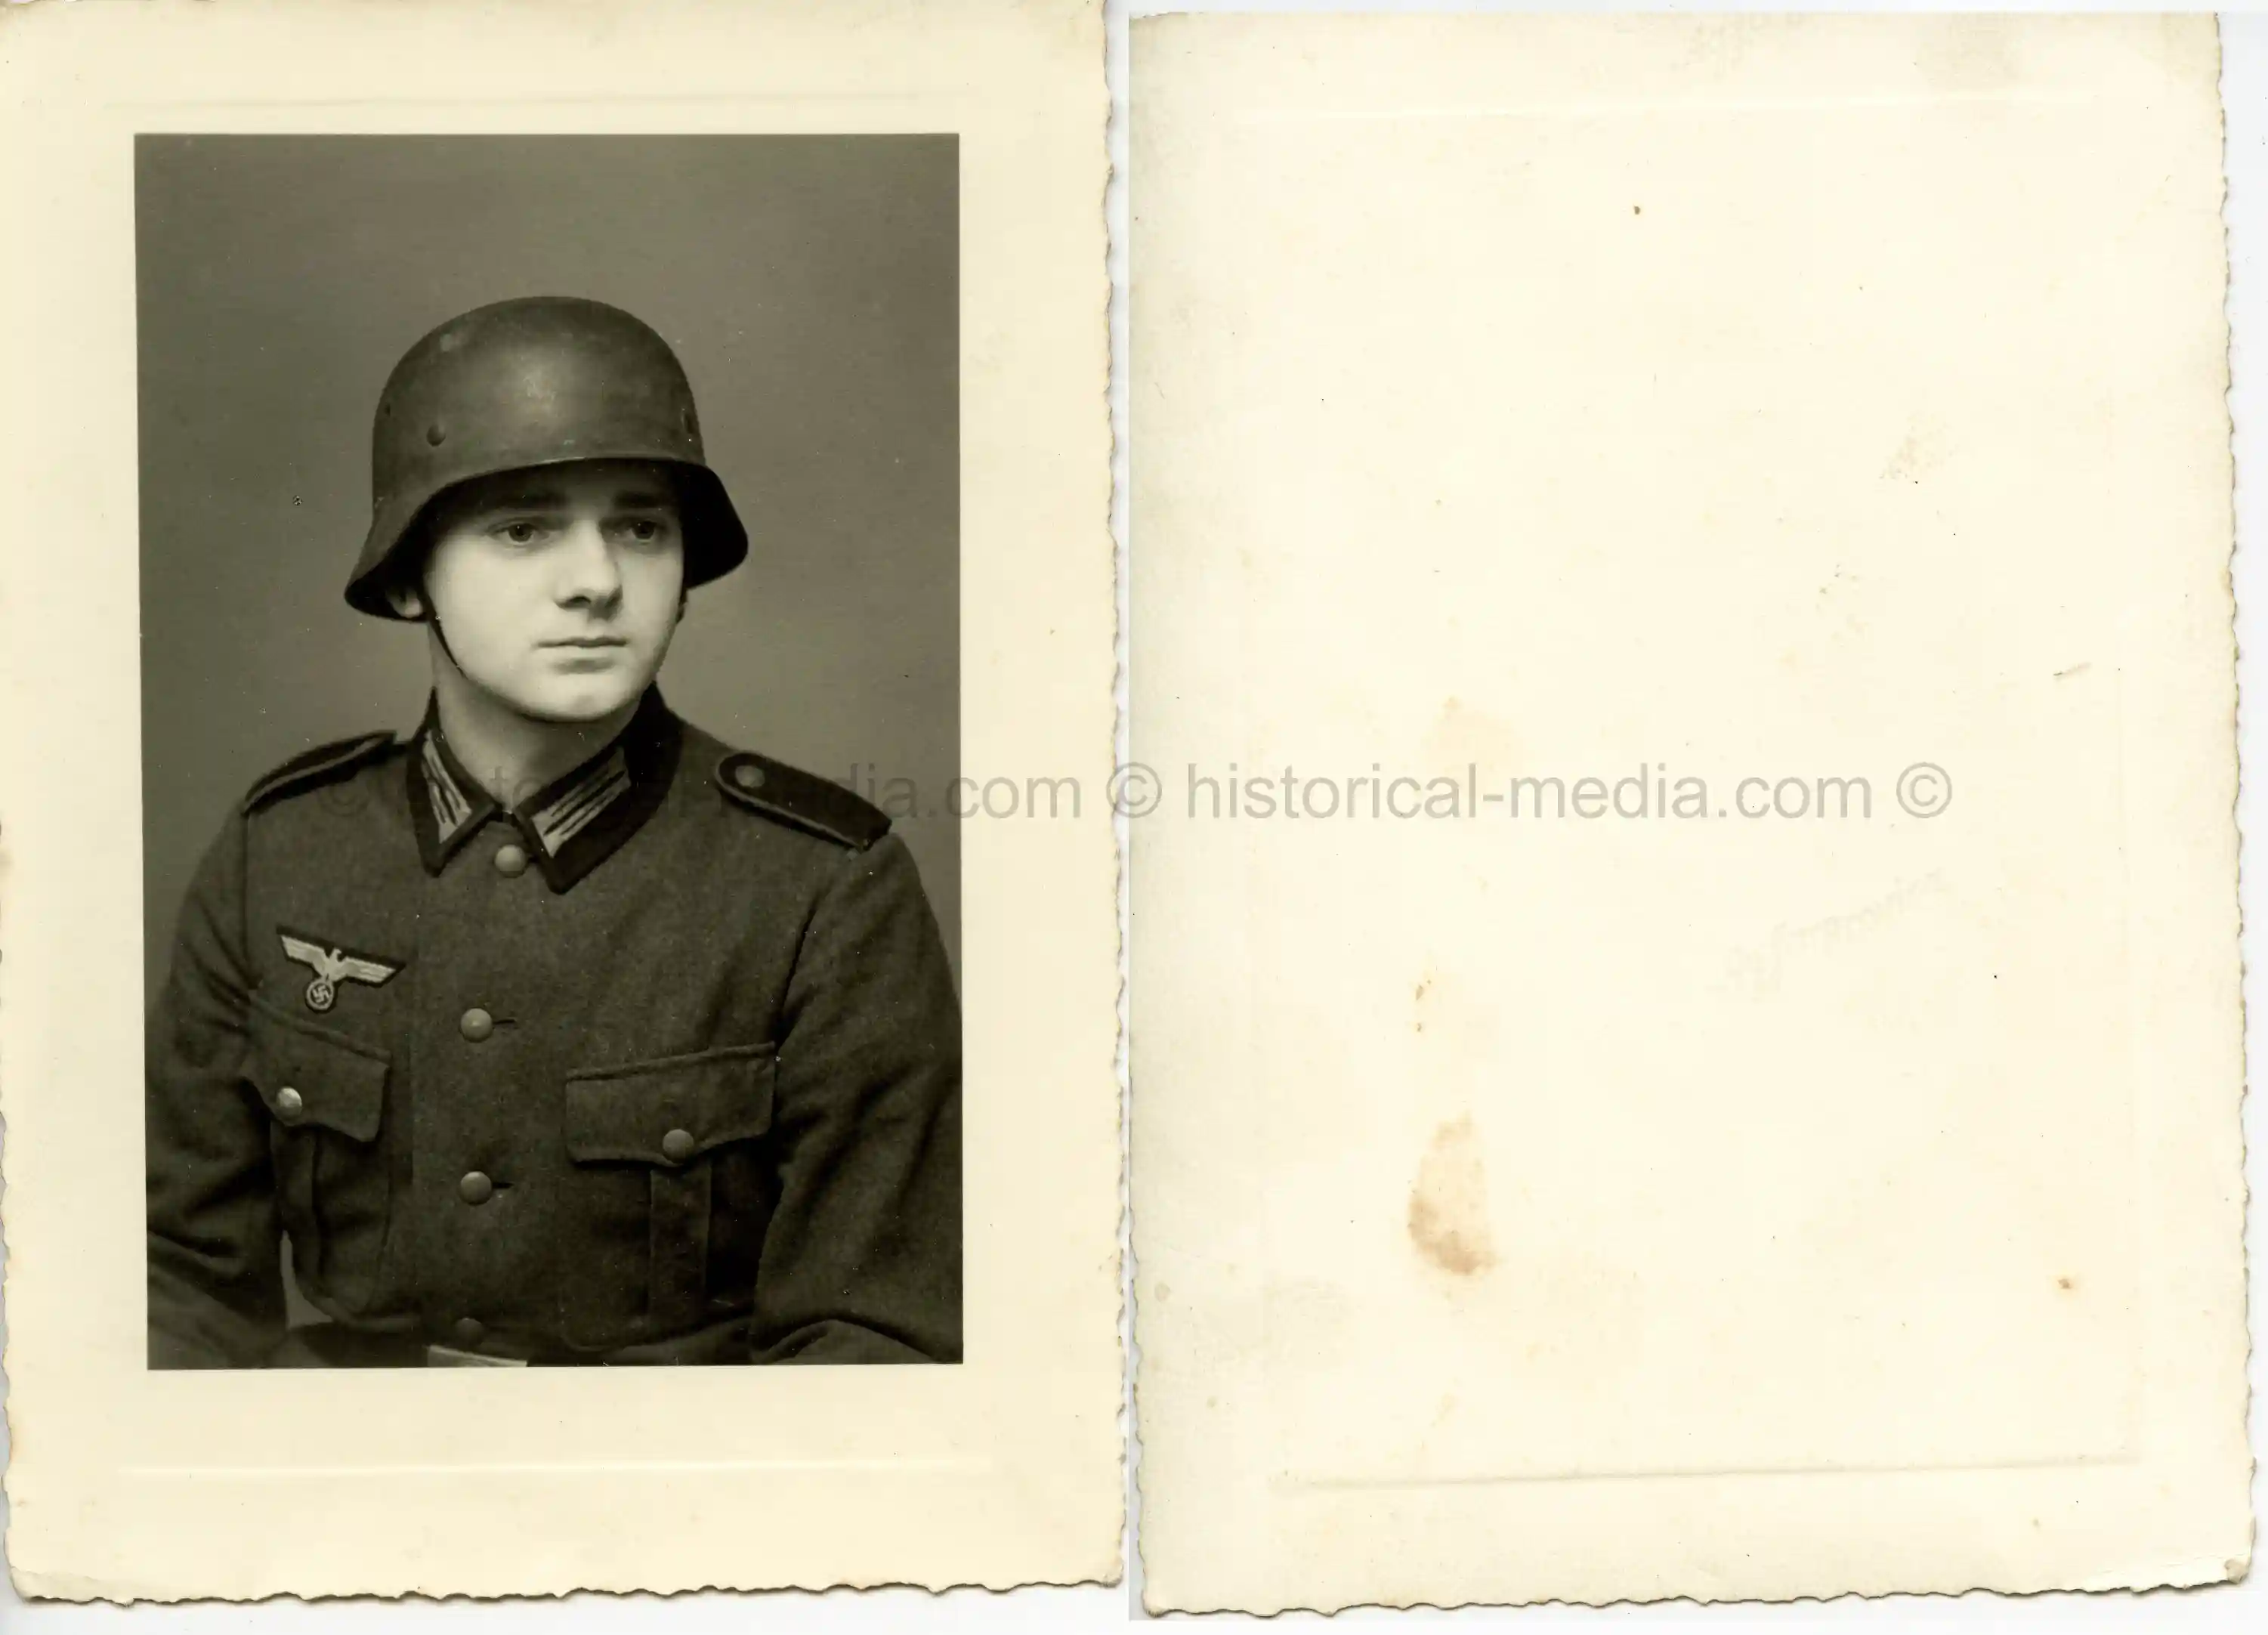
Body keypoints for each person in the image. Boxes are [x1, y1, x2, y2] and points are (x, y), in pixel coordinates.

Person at [146, 295, 962, 1367]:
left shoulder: (820, 886)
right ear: (404, 579)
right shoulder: (281, 855)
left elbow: (874, 1345)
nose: (596, 581)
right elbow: (175, 1291)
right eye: (523, 528)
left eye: (640, 526)